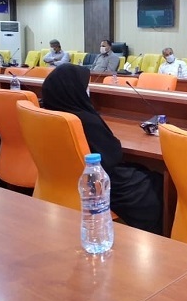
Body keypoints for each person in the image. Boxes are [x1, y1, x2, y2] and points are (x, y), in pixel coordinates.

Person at [42, 63, 163, 234]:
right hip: (101, 186)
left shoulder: (51, 113)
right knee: (156, 181)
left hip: (64, 182)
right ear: (74, 90)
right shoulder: (84, 120)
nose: (87, 90)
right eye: (85, 86)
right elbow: (114, 155)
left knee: (144, 172)